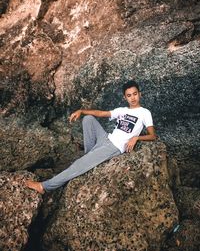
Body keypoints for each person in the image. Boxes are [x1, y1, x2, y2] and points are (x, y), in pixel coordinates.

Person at [26, 80, 156, 194]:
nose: (132, 98)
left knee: (78, 165)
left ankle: (44, 186)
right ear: (125, 97)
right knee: (88, 119)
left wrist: (136, 138)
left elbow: (152, 135)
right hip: (105, 138)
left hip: (114, 147)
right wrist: (81, 111)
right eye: (129, 95)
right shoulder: (122, 110)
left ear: (140, 94)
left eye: (135, 94)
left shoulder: (145, 113)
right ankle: (89, 155)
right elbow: (101, 113)